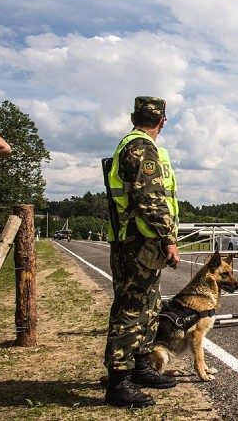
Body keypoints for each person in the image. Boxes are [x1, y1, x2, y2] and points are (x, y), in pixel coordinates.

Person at [103, 96, 180, 408]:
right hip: (139, 241)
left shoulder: (130, 144)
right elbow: (150, 197)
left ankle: (141, 366)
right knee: (132, 308)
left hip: (138, 241)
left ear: (134, 116)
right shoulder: (142, 147)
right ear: (162, 121)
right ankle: (119, 381)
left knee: (148, 304)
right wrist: (168, 238)